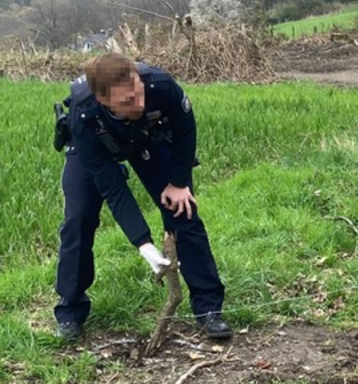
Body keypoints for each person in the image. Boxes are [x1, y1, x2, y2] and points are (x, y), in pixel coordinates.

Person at [53, 53, 231, 341]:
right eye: (126, 102)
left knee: (182, 211)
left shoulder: (160, 86)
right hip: (97, 146)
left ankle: (209, 309)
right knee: (79, 218)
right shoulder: (83, 117)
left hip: (147, 137)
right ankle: (70, 313)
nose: (137, 104)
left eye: (137, 93)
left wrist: (178, 182)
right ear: (103, 99)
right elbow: (113, 189)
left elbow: (185, 130)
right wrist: (144, 244)